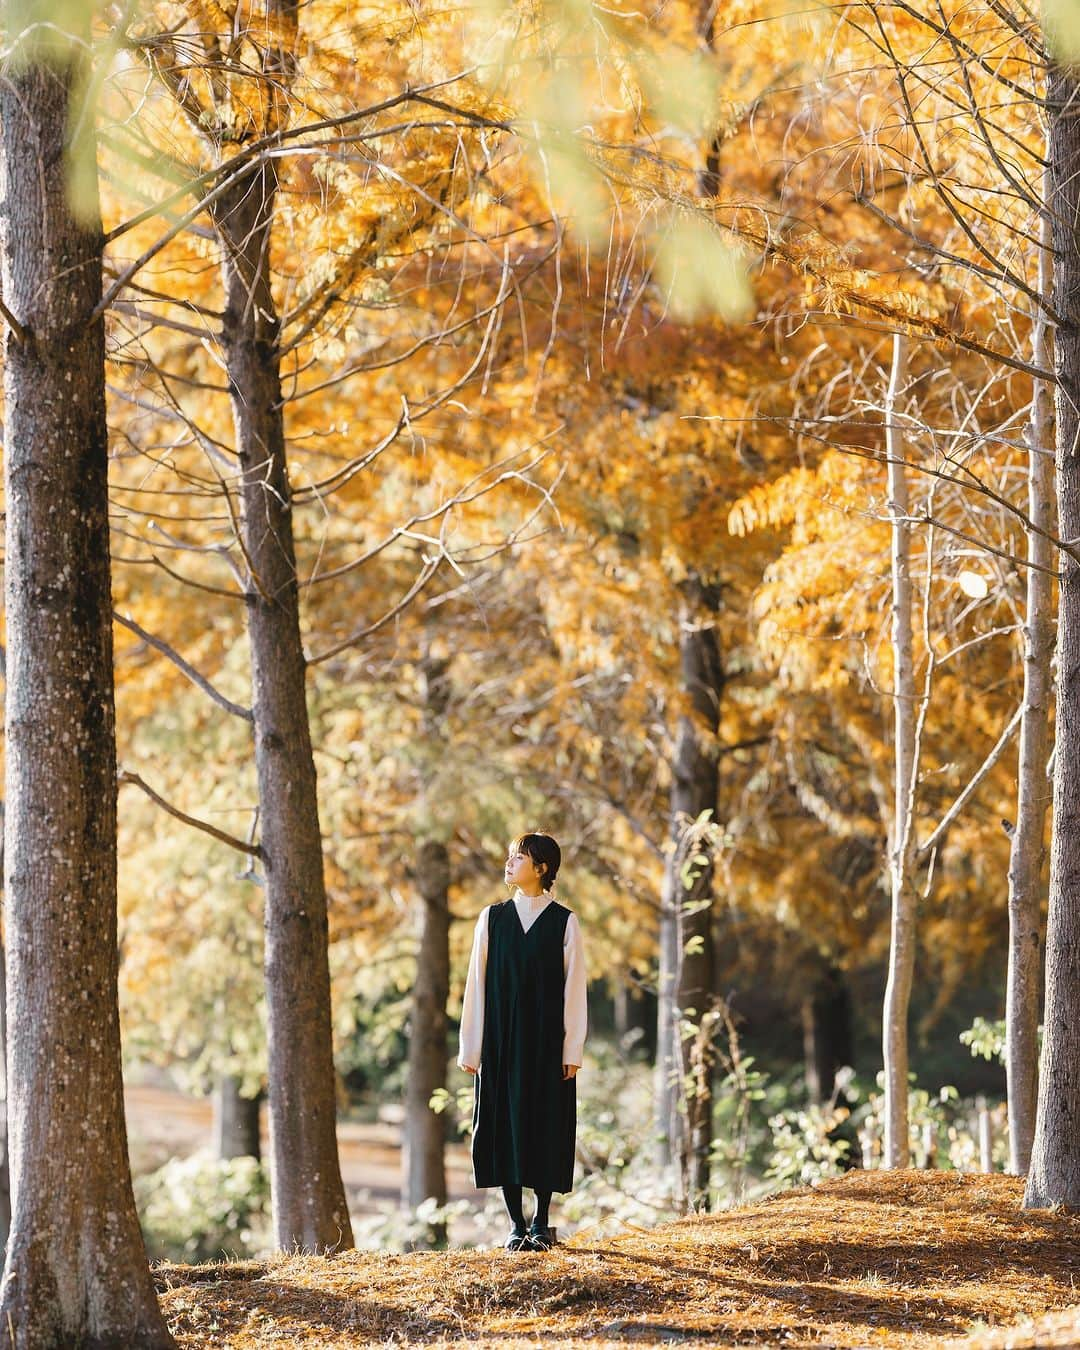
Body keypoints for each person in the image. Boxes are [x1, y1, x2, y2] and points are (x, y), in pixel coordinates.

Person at [457, 831, 587, 1252]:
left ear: (542, 868)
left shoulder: (565, 922)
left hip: (548, 1046)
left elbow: (574, 992)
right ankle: (515, 1223)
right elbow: (475, 986)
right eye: (511, 856)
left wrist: (572, 1050)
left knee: (545, 1124)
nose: (509, 864)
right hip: (501, 1043)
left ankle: (541, 1222)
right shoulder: (491, 919)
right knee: (503, 1126)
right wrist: (471, 1048)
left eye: (519, 858)